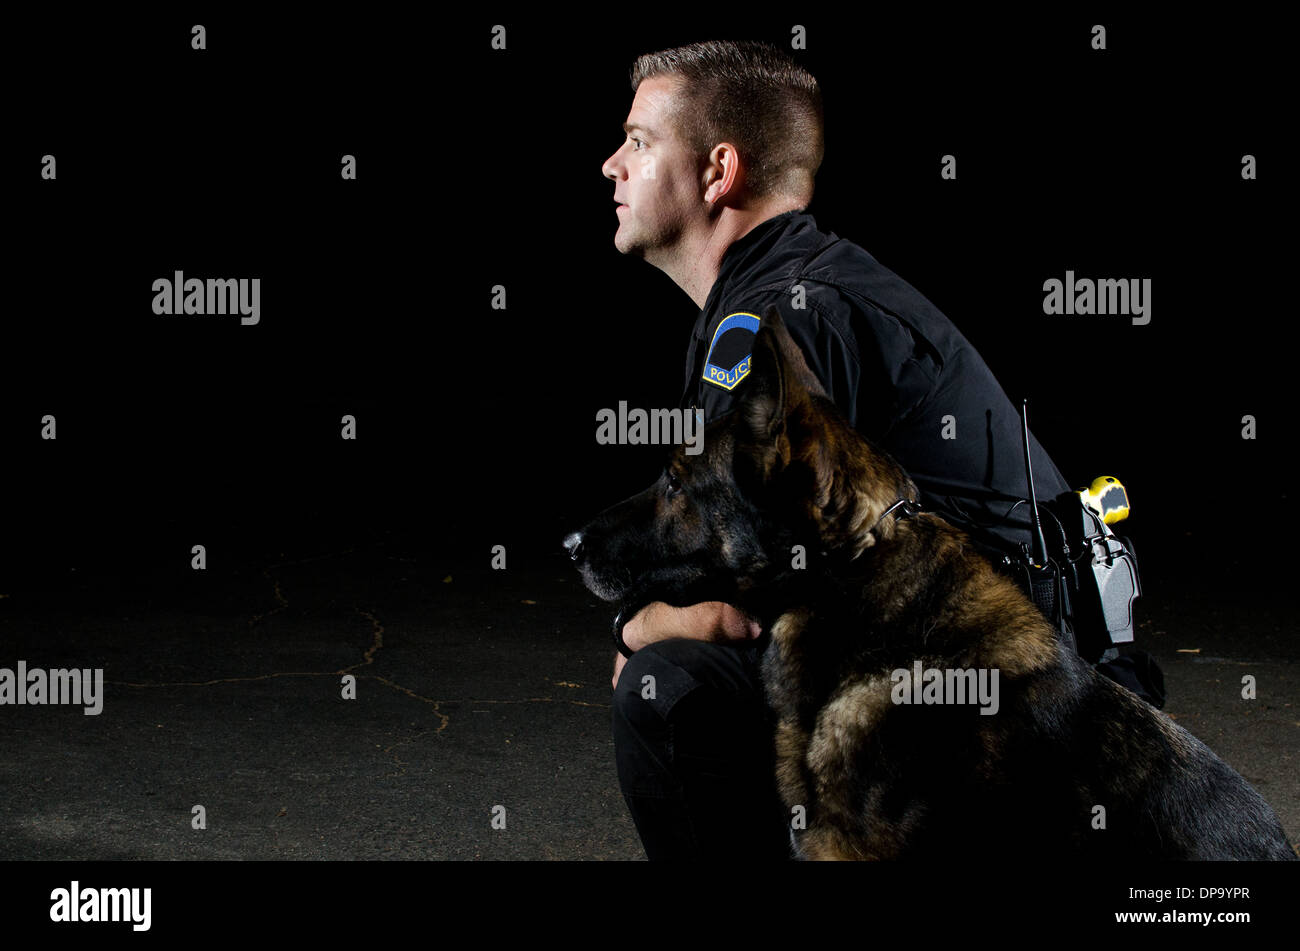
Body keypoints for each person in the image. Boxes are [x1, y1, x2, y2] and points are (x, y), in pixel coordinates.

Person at [597, 39, 1152, 860]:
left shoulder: (789, 322)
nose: (612, 163)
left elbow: (731, 597)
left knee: (669, 683)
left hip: (1034, 717)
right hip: (1020, 682)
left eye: (639, 141)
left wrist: (634, 627)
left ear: (719, 172)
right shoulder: (783, 294)